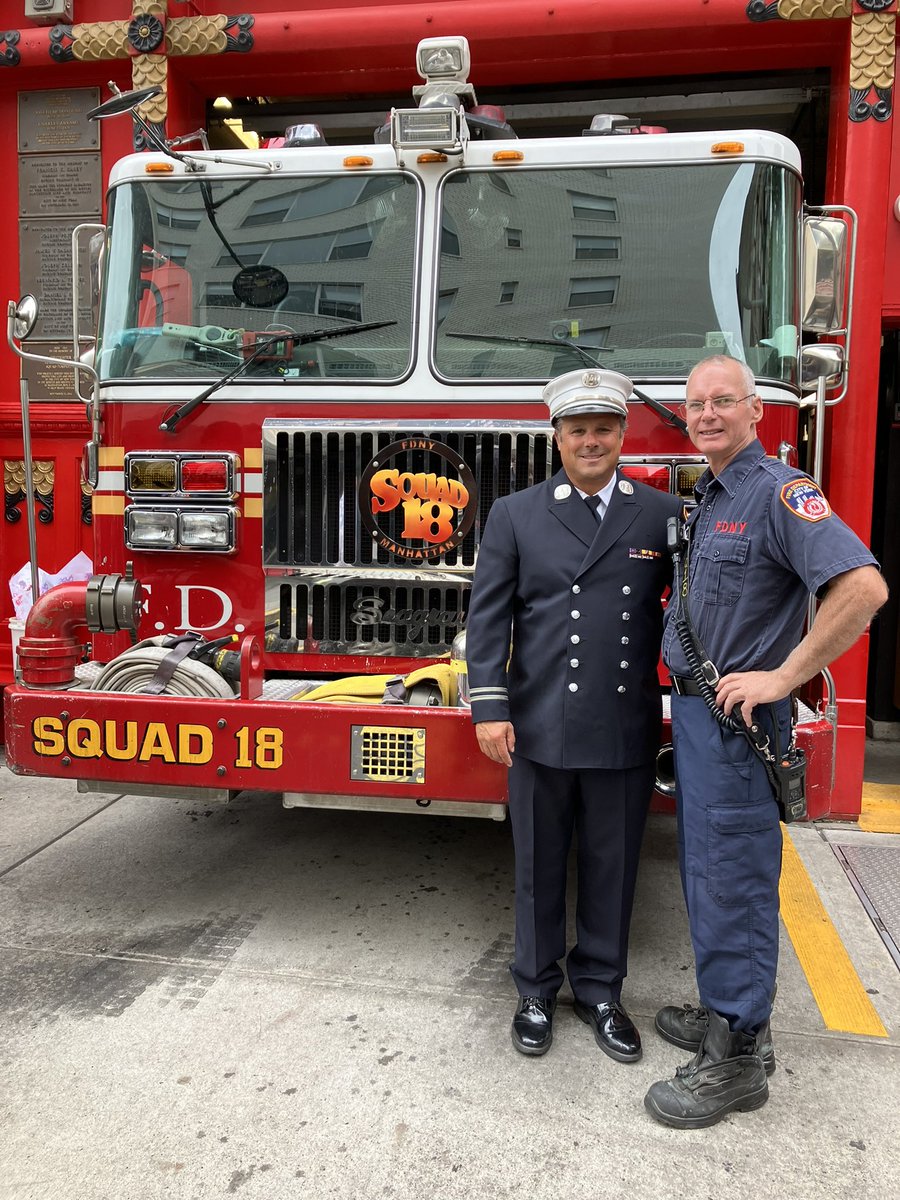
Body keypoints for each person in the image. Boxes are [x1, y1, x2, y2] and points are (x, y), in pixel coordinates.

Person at [645, 354, 887, 1128]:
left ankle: (740, 1056)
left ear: (754, 411)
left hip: (740, 726)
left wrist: (785, 677)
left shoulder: (782, 492)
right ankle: (729, 1011)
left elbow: (863, 588)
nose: (707, 413)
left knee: (735, 880)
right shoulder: (710, 497)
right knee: (703, 873)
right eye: (696, 404)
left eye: (724, 401)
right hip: (696, 716)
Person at [466, 368, 682, 1060]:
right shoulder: (516, 513)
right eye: (578, 429)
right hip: (536, 720)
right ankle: (534, 990)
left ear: (623, 433)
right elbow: (490, 616)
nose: (592, 441)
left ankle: (599, 991)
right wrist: (489, 707)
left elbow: (689, 611)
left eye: (604, 429)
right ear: (556, 436)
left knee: (613, 865)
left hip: (621, 721)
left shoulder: (660, 514)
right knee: (537, 864)